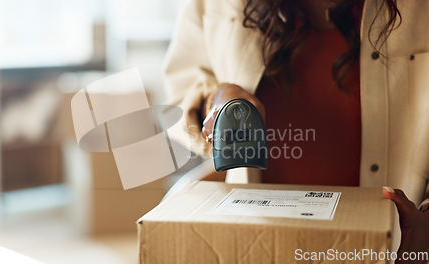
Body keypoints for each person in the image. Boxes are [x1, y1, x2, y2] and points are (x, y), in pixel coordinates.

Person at [162, 0, 429, 262]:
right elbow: (178, 98)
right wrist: (216, 99)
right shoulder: (212, 5)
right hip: (258, 240)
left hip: (388, 247)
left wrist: (425, 230)